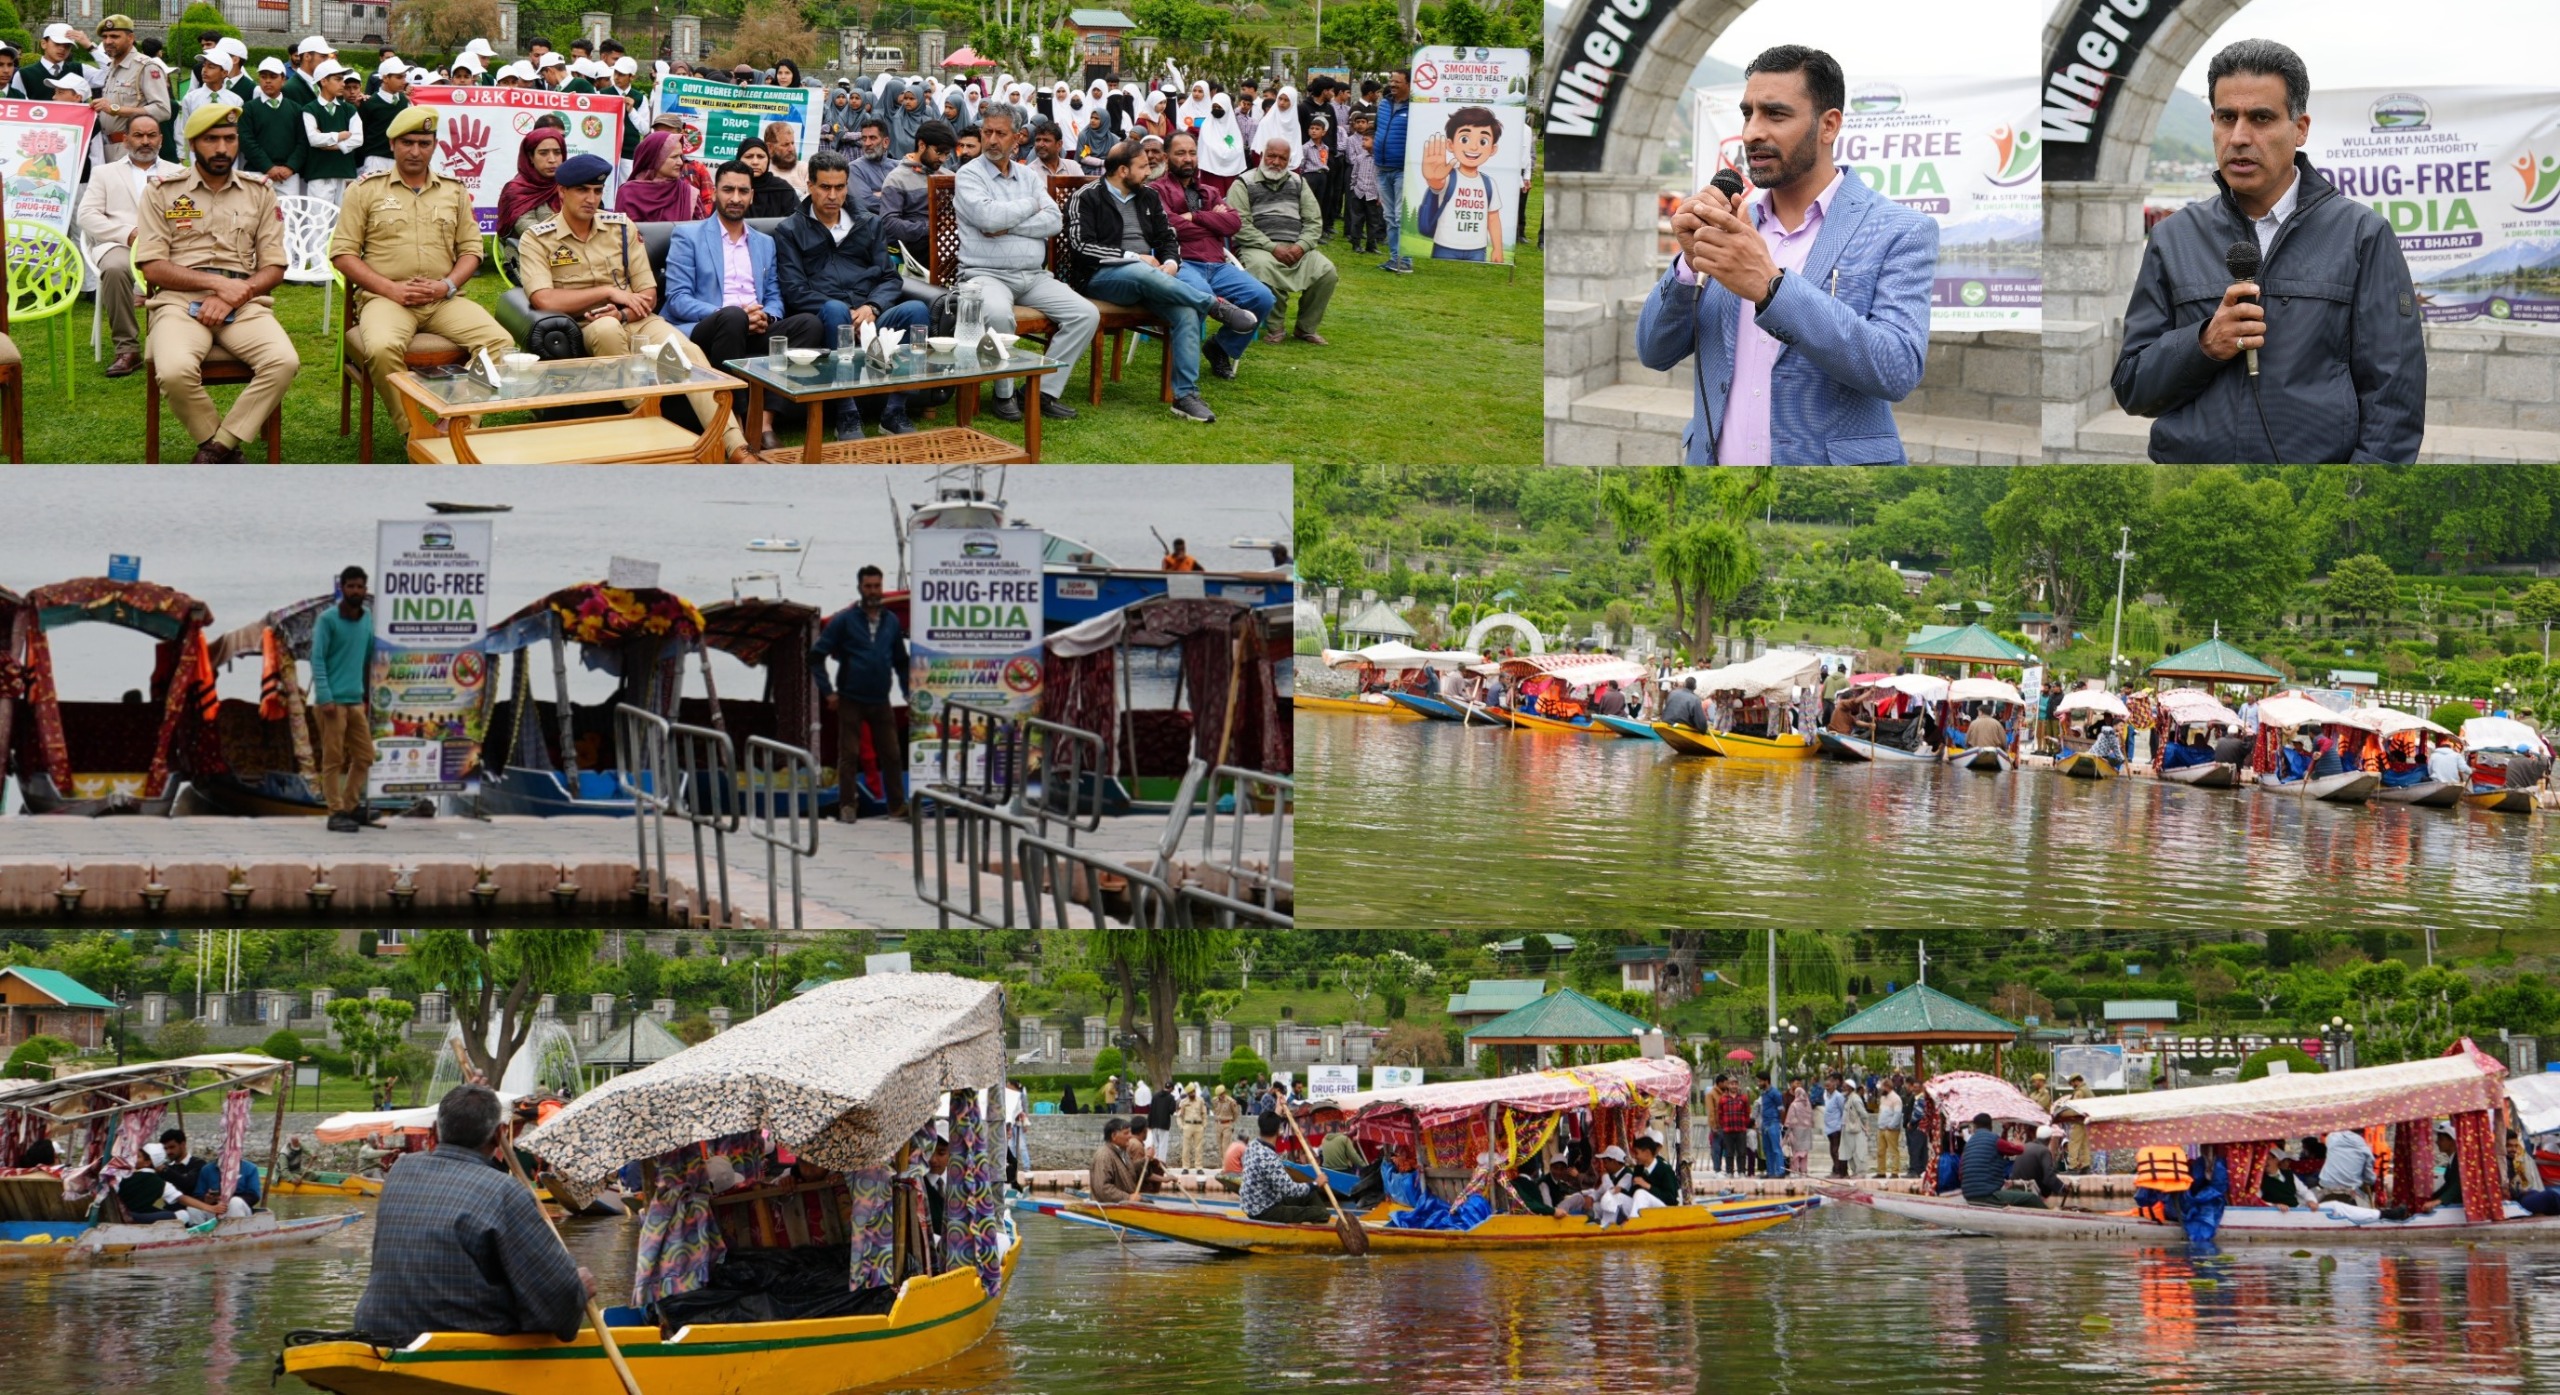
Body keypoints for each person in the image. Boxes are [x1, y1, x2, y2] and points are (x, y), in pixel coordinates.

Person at [2112, 39, 2424, 464]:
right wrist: (2203, 343)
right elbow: (2132, 387)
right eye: (2227, 118)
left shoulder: (2362, 236)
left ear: (2300, 127)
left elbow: (2395, 399)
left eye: (2261, 118)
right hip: (2193, 500)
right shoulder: (2173, 238)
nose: (2239, 137)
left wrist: (2353, 505)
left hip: (2310, 506)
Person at [1639, 44, 1932, 464]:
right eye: (1747, 113)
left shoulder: (1900, 230)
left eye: (1775, 114)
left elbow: (1896, 369)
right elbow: (1653, 352)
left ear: (1828, 125)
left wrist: (1771, 288)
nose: (1752, 132)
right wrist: (1688, 265)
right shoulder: (1730, 225)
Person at [520, 154, 759, 460]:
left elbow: (647, 292)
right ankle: (650, 431)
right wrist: (608, 291)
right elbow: (544, 299)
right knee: (606, 329)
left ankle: (735, 445)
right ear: (562, 192)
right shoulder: (538, 239)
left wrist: (621, 310)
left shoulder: (620, 227)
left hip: (634, 318)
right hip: (586, 324)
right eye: (582, 190)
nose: (592, 199)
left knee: (686, 351)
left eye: (597, 190)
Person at [353, 1085, 593, 1347]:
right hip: (453, 1339)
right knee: (573, 1286)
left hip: (377, 1330)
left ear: (434, 1131)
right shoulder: (505, 1192)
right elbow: (556, 1301)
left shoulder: (401, 1170)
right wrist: (577, 1291)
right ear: (498, 1136)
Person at [331, 106, 515, 429]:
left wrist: (446, 286)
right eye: (407, 142)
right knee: (382, 347)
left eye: (424, 143)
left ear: (434, 145)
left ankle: (458, 421)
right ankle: (415, 430)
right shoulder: (364, 190)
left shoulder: (453, 191)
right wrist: (391, 289)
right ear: (392, 144)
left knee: (501, 342)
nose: (416, 151)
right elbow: (343, 254)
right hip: (387, 299)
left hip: (442, 299)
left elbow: (472, 251)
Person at [136, 102, 299, 463]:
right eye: (211, 139)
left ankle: (219, 445)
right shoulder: (162, 190)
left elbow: (274, 266)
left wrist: (232, 295)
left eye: (229, 138)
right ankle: (219, 442)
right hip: (179, 302)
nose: (222, 148)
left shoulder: (260, 191)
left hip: (244, 301)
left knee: (283, 361)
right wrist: (216, 285)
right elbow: (151, 266)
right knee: (175, 371)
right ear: (192, 143)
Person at [1064, 138, 1259, 425]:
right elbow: (1081, 246)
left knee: (1185, 312)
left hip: (1151, 278)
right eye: (1142, 167)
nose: (1148, 171)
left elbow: (1168, 238)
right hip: (1099, 278)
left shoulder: (1148, 197)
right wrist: (1133, 256)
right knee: (1140, 269)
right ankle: (1214, 306)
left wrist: (1170, 263)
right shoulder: (1087, 197)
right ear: (1121, 171)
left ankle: (1185, 397)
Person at [667, 158, 828, 452]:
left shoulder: (764, 243)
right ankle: (737, 425)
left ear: (752, 196)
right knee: (732, 318)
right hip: (711, 327)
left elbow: (774, 294)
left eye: (743, 191)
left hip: (754, 325)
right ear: (715, 192)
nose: (736, 198)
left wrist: (767, 316)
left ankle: (765, 423)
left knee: (809, 323)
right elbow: (677, 299)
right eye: (728, 190)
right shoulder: (688, 236)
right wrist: (731, 314)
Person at [954, 101, 1098, 423]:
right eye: (987, 132)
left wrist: (1008, 223)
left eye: (1000, 133)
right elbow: (987, 218)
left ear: (1017, 138)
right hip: (984, 273)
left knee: (1085, 314)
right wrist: (1029, 207)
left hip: (1034, 276)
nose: (992, 139)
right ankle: (1003, 394)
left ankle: (1041, 391)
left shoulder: (1027, 176)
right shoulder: (969, 175)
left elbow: (1054, 222)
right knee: (997, 314)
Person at [774, 149, 930, 438]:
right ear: (810, 186)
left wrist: (873, 306)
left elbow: (889, 276)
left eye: (840, 187)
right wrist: (846, 313)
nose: (833, 195)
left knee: (918, 311)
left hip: (870, 315)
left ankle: (895, 410)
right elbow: (794, 290)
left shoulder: (869, 223)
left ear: (847, 185)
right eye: (825, 187)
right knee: (835, 310)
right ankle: (847, 412)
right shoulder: (790, 230)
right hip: (827, 315)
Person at [1148, 131, 1273, 386]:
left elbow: (1234, 223)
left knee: (1262, 297)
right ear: (1166, 157)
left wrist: (1195, 216)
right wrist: (1213, 222)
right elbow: (1169, 227)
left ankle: (1219, 347)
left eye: (1192, 153)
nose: (1187, 159)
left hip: (1217, 264)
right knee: (1202, 292)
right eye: (1180, 153)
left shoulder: (1210, 191)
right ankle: (1184, 363)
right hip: (1180, 262)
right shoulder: (1155, 191)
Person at [810, 564, 911, 821]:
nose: (873, 591)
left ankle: (897, 807)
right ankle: (847, 806)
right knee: (849, 755)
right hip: (850, 699)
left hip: (881, 699)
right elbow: (816, 656)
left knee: (892, 754)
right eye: (868, 586)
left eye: (877, 586)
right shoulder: (844, 621)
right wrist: (828, 692)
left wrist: (908, 693)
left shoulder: (892, 622)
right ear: (859, 588)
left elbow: (901, 661)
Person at [75, 114, 163, 379]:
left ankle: (182, 342)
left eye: (151, 135)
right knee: (114, 268)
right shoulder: (105, 173)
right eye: (138, 135)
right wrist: (128, 233)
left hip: (167, 247)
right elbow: (86, 215)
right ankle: (128, 350)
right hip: (119, 244)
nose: (145, 141)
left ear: (161, 139)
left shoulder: (178, 172)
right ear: (125, 140)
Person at [1228, 133, 1336, 347]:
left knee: (1327, 271)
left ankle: (1305, 328)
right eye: (1271, 156)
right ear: (1261, 155)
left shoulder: (1299, 182)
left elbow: (1314, 221)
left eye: (1282, 159)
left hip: (1295, 246)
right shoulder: (1243, 183)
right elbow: (1238, 225)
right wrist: (1271, 247)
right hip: (1258, 247)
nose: (1276, 162)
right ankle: (1275, 327)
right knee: (1263, 267)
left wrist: (1301, 246)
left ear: (1289, 161)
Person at [87, 15, 168, 165]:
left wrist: (116, 109)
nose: (108, 41)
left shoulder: (145, 67)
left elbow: (162, 110)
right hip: (106, 148)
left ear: (130, 38)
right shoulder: (112, 67)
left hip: (132, 150)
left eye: (114, 36)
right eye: (104, 37)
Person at [879, 119, 954, 265]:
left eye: (947, 154)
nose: (943, 159)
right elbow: (889, 224)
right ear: (921, 145)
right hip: (916, 245)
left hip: (947, 239)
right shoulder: (897, 179)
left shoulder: (948, 176)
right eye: (939, 152)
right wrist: (930, 228)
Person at [1239, 1113, 1330, 1223]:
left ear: (1260, 1128)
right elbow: (1291, 1190)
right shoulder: (1268, 1157)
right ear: (1278, 1131)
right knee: (1323, 1214)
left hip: (1259, 1202)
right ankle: (1320, 1220)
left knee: (1310, 1194)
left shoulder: (1253, 1145)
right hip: (1264, 1211)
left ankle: (1316, 1220)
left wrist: (1277, 1112)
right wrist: (1316, 1183)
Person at [298, 61, 364, 207]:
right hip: (319, 174)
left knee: (345, 222)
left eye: (342, 79)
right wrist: (340, 135)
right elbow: (314, 139)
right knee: (318, 223)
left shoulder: (349, 109)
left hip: (345, 172)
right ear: (323, 81)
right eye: (338, 79)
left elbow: (358, 139)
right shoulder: (310, 109)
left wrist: (334, 146)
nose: (343, 84)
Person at [238, 57, 306, 196]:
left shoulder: (296, 109)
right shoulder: (249, 108)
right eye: (263, 77)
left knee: (288, 216)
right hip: (256, 173)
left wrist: (290, 167)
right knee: (255, 216)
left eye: (273, 77)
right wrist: (268, 167)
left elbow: (303, 142)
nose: (267, 81)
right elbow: (247, 141)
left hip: (288, 176)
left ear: (283, 79)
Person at [617, 126, 708, 221]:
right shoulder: (628, 193)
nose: (680, 162)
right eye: (674, 157)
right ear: (655, 159)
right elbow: (619, 232)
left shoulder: (688, 194)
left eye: (680, 156)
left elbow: (701, 231)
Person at [494, 129, 567, 242]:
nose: (552, 160)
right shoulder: (517, 189)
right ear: (531, 157)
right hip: (529, 254)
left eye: (557, 152)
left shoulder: (570, 184)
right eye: (543, 153)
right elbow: (528, 229)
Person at [1372, 68, 1412, 273]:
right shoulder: (1384, 104)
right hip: (1382, 167)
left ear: (1409, 85)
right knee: (1388, 216)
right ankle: (1395, 258)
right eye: (1391, 81)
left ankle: (1405, 260)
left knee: (1400, 216)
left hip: (1403, 169)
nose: (1393, 85)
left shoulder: (1416, 108)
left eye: (1397, 81)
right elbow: (1378, 128)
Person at [354, 56, 410, 177]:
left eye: (404, 76)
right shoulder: (369, 103)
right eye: (399, 77)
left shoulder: (406, 102)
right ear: (385, 78)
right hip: (375, 161)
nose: (404, 81)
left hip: (400, 160)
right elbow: (360, 135)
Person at [730, 136, 798, 220]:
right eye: (749, 156)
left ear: (768, 160)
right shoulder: (729, 188)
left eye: (760, 157)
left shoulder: (782, 189)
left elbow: (797, 223)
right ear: (739, 160)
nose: (755, 162)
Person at [2002, 1125, 2065, 1208]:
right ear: (2049, 1139)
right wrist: (2062, 1188)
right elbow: (2049, 1177)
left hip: (2016, 1189)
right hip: (2029, 1191)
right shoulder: (2044, 1151)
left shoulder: (2025, 1146)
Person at [2317, 1126, 2377, 1206]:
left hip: (2326, 1184)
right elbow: (2370, 1179)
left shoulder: (2332, 1138)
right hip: (2351, 1189)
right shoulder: (2365, 1150)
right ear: (2362, 1134)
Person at [848, 116, 896, 212]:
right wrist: (899, 198)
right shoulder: (854, 168)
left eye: (872, 138)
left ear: (885, 142)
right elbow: (865, 202)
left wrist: (880, 194)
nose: (867, 143)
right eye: (864, 138)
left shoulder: (897, 166)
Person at [1874, 1077, 1906, 1178]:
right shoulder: (1883, 1097)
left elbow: (1897, 1114)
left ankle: (1895, 1172)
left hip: (1891, 1129)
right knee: (1880, 1151)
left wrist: (1891, 1125)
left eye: (1882, 1087)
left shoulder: (1896, 1099)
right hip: (1881, 1128)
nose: (1881, 1090)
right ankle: (1881, 1172)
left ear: (1887, 1087)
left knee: (1893, 1151)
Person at [1176, 1083, 1209, 1170]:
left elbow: (1204, 1114)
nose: (1192, 1094)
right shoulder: (1183, 1102)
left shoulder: (1200, 1101)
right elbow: (1179, 1116)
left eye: (1193, 1091)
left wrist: (1204, 1125)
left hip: (1198, 1126)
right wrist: (1181, 1126)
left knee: (1199, 1148)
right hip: (1187, 1126)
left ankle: (1199, 1167)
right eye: (1190, 1092)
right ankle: (1185, 1167)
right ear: (1187, 1093)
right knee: (1186, 1148)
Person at [1822, 1070, 1847, 1177]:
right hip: (1829, 1128)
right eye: (1826, 1084)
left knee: (1836, 1150)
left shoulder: (1838, 1096)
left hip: (1837, 1127)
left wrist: (1842, 1125)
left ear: (1835, 1084)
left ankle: (1839, 1172)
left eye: (1831, 1082)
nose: (1828, 1085)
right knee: (1832, 1151)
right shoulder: (1826, 1096)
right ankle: (1836, 1170)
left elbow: (1843, 1111)